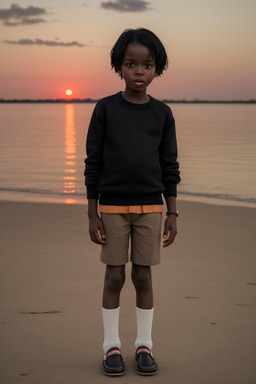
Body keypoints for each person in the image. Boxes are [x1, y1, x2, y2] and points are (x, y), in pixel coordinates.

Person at [84, 28, 180, 376]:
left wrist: (172, 211)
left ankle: (144, 346)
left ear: (157, 69)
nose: (139, 71)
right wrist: (92, 213)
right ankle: (111, 347)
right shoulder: (106, 109)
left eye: (147, 65)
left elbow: (170, 165)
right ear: (119, 67)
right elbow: (93, 162)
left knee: (143, 275)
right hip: (110, 208)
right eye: (131, 64)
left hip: (152, 209)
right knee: (113, 276)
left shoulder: (163, 113)